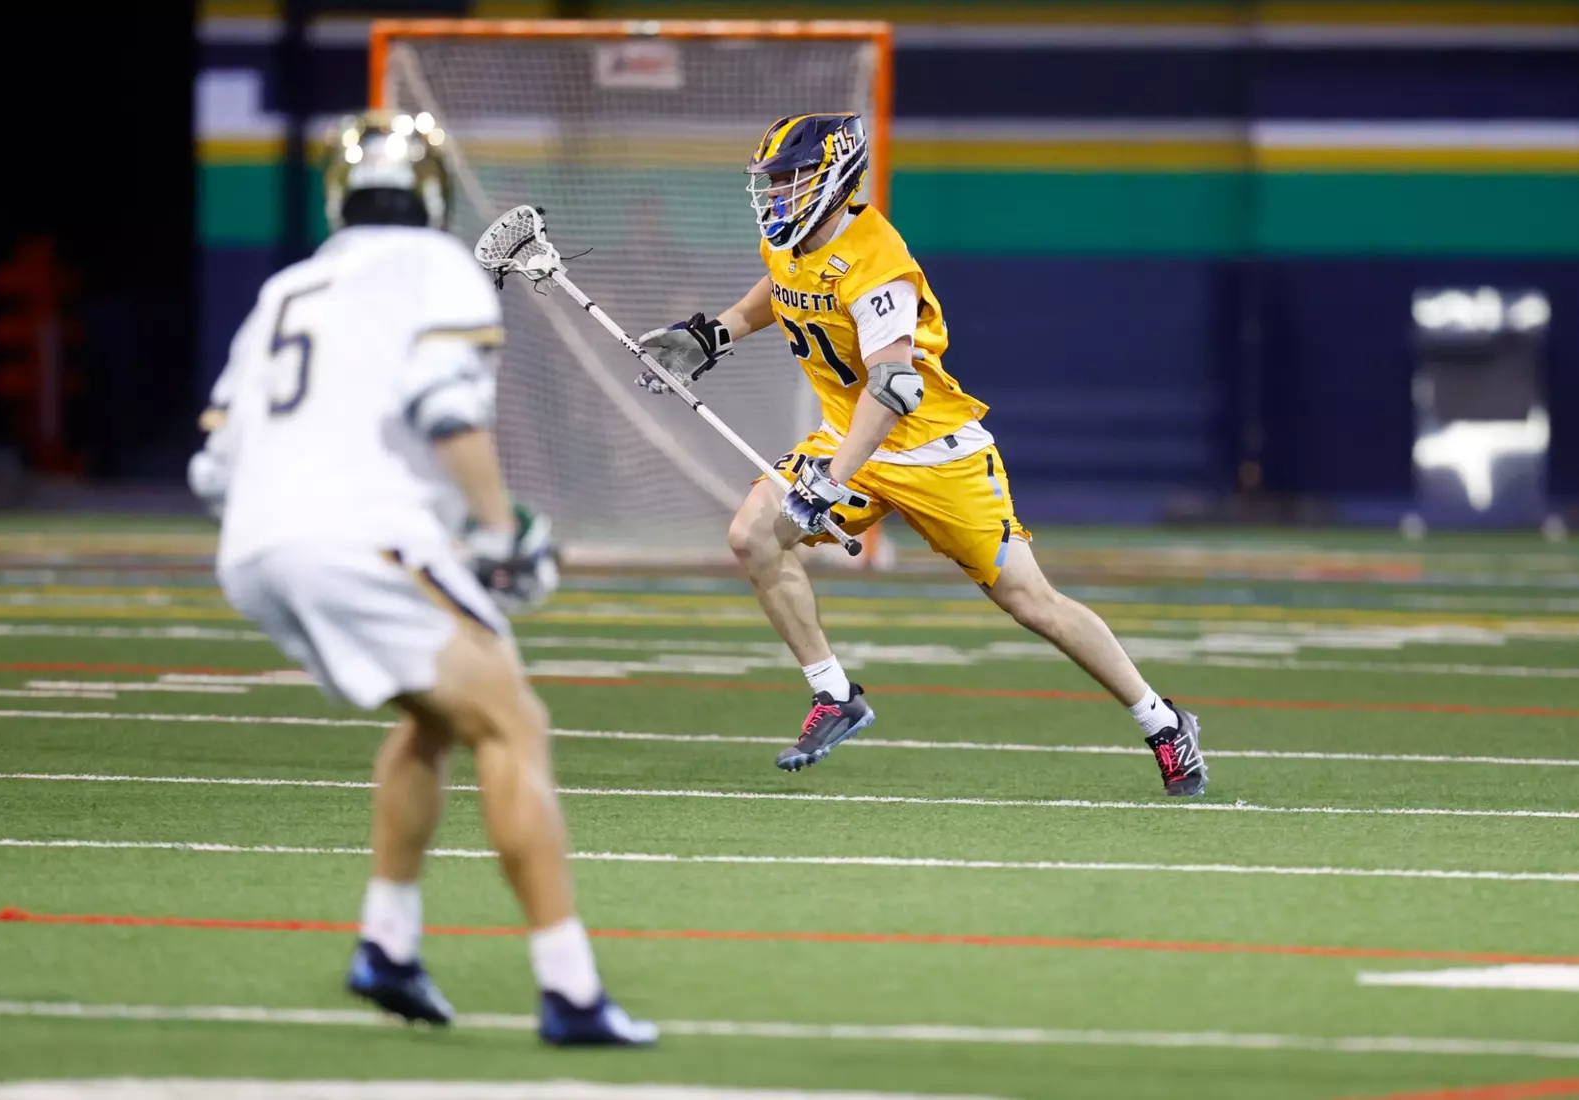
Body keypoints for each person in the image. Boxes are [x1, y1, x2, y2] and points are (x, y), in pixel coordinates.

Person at [187, 109, 657, 1044]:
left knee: (435, 713)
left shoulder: (289, 285)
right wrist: (497, 529)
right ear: (433, 194)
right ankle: (569, 990)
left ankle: (389, 945)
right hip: (358, 538)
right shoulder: (439, 269)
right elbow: (447, 411)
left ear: (339, 197)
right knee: (513, 720)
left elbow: (212, 468)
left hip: (254, 547)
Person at [635, 113, 1207, 796]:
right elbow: (784, 288)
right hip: (851, 438)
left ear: (835, 176)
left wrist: (830, 479)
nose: (778, 194)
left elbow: (895, 386)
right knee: (752, 535)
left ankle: (1162, 722)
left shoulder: (878, 261)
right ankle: (835, 694)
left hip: (934, 451)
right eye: (775, 181)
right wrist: (716, 334)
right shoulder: (791, 241)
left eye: (792, 179)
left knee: (1031, 601)